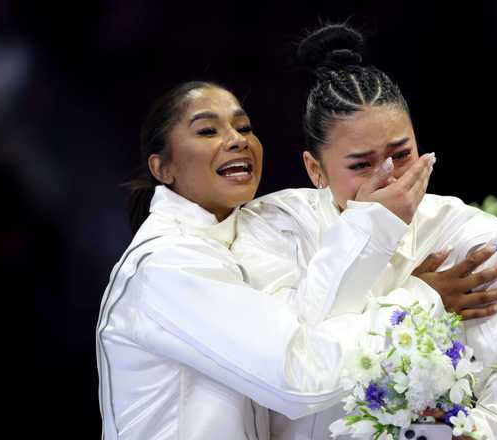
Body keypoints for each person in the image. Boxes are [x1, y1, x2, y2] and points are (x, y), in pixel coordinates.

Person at [232, 24, 497, 440]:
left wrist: (468, 434)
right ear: (315, 169)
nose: (387, 176)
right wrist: (418, 292)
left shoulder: (468, 235)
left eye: (401, 153)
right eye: (361, 164)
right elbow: (296, 366)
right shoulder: (273, 226)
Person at [95, 81, 436, 439]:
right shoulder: (167, 264)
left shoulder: (240, 239)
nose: (237, 139)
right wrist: (420, 299)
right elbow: (301, 377)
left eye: (243, 127)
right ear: (163, 168)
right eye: (208, 130)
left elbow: (312, 325)